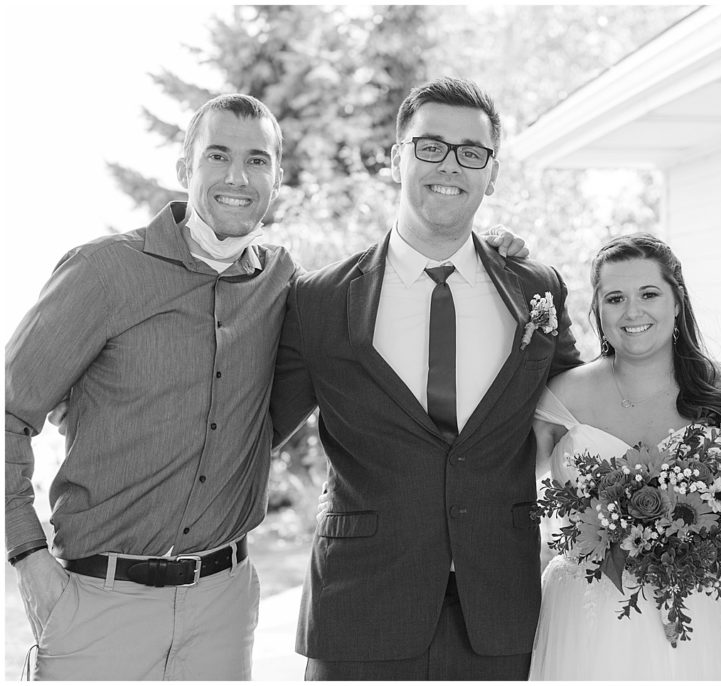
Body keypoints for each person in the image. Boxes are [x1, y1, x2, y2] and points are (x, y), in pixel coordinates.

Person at [4, 92, 525, 681]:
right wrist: (27, 555)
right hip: (98, 598)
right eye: (218, 155)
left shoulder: (286, 286)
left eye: (258, 161)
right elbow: (10, 413)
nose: (237, 177)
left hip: (222, 606)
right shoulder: (103, 271)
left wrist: (494, 254)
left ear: (276, 177)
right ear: (185, 165)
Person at [269, 76, 582, 681]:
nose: (451, 165)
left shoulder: (536, 289)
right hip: (360, 611)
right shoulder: (318, 301)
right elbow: (252, 433)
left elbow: (581, 411)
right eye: (430, 145)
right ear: (397, 159)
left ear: (491, 173)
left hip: (500, 615)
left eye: (473, 152)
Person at [529, 233, 721, 680]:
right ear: (598, 310)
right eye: (615, 298)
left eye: (649, 293)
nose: (632, 312)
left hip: (707, 626)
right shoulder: (560, 398)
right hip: (588, 625)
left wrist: (688, 567)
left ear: (677, 301)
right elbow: (499, 491)